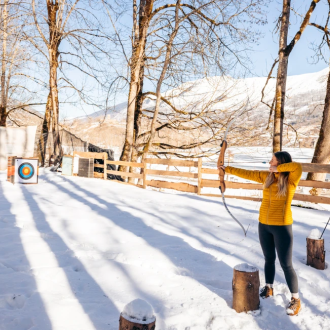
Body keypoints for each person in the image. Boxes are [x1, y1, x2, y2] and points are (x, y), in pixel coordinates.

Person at [219, 151, 302, 316]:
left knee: (286, 265)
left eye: (273, 160)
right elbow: (248, 173)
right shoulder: (268, 177)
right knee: (269, 259)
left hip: (282, 226)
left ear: (281, 163)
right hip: (264, 225)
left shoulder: (291, 179)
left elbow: (297, 166)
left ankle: (295, 299)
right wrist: (226, 169)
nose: (270, 163)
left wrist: (276, 168)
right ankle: (269, 287)